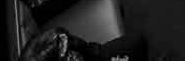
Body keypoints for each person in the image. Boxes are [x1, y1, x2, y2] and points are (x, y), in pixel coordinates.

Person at [18, 25, 147, 61]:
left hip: (96, 57)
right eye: (66, 59)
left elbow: (90, 51)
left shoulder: (63, 42)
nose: (73, 56)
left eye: (70, 52)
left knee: (136, 42)